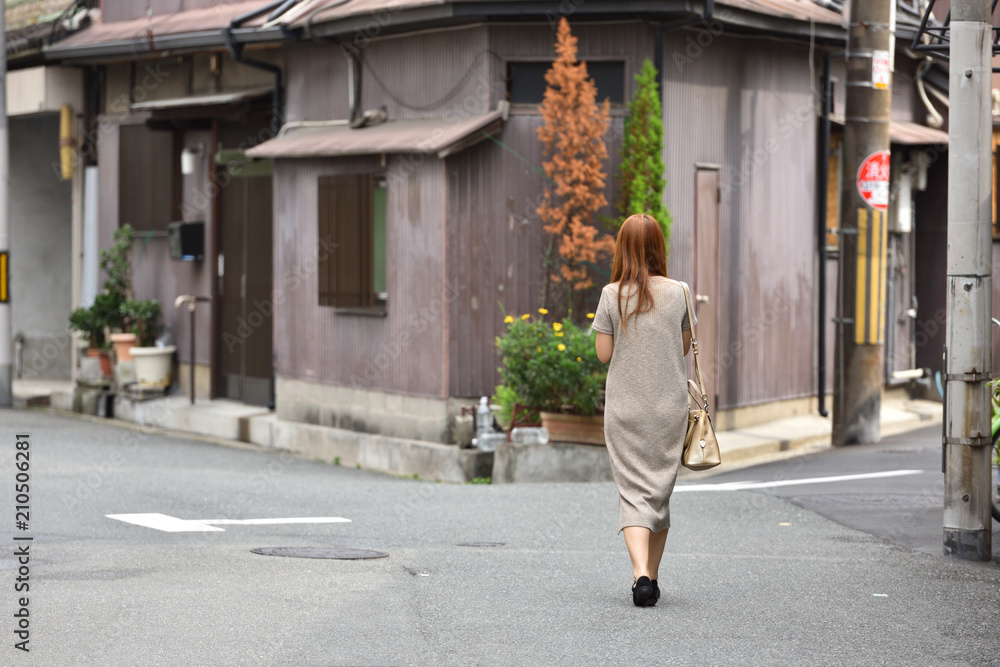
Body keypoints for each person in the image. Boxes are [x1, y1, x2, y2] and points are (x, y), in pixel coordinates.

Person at [591, 213, 694, 608]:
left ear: (622, 248)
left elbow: (604, 355)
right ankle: (651, 575)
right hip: (669, 408)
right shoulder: (680, 292)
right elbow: (683, 348)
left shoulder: (610, 294)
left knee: (633, 491)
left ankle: (641, 576)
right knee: (659, 492)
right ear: (658, 246)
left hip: (624, 409)